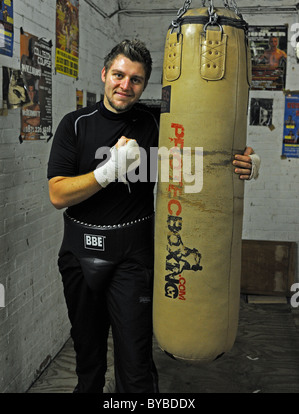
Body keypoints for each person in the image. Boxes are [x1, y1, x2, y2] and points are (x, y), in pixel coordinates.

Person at [47, 39, 258, 394]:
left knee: (136, 360)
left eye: (136, 80)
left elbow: (200, 157)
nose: (125, 86)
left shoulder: (155, 123)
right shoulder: (75, 124)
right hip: (79, 253)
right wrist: (108, 170)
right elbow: (57, 194)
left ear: (145, 85)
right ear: (104, 75)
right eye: (118, 75)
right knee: (88, 356)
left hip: (133, 257)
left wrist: (242, 162)